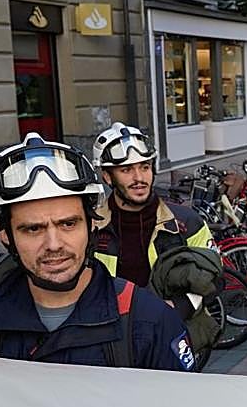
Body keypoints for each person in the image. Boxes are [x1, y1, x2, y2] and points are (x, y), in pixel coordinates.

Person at [0, 133, 194, 370]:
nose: (54, 244)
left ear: (93, 224)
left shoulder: (150, 322)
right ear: (6, 236)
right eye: (32, 229)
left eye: (68, 224)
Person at [90, 123, 213, 289]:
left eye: (145, 167)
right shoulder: (91, 227)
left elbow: (215, 276)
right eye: (126, 170)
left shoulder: (186, 221)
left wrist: (179, 307)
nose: (139, 178)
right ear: (107, 177)